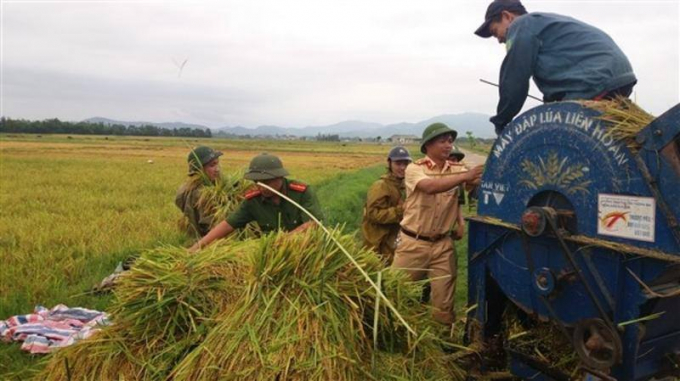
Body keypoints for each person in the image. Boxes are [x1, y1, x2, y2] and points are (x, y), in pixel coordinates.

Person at [475, 0, 637, 135]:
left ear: (507, 16)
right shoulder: (544, 23)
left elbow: (515, 78)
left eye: (495, 32)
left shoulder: (522, 25)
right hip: (619, 77)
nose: (499, 40)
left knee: (554, 138)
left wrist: (501, 122)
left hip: (595, 80)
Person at [391, 123, 484, 325]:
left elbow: (479, 182)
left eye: (450, 141)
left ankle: (441, 342)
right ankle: (392, 335)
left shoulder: (458, 169)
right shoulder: (414, 169)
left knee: (443, 305)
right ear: (428, 145)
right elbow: (430, 187)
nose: (448, 145)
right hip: (413, 244)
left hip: (443, 246)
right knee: (395, 294)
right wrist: (466, 176)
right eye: (442, 141)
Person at [190, 153, 323, 251]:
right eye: (257, 182)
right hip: (273, 255)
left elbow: (312, 224)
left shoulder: (301, 193)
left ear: (280, 177)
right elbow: (227, 225)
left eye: (266, 182)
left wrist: (280, 242)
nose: (261, 187)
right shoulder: (253, 200)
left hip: (305, 250)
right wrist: (195, 248)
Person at [361, 146, 412, 265]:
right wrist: (400, 211)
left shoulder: (405, 186)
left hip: (395, 242)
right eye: (398, 164)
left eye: (405, 163)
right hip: (379, 244)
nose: (402, 168)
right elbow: (373, 214)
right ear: (389, 163)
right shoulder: (381, 186)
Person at [175, 146, 223, 238]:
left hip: (194, 240)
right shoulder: (203, 194)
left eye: (217, 164)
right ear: (199, 169)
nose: (217, 169)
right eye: (212, 165)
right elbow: (211, 225)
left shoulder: (186, 188)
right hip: (208, 244)